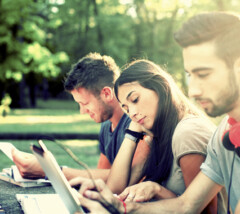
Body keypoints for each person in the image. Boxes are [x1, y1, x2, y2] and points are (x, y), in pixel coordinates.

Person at [72, 11, 240, 213]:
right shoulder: (224, 136)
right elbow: (186, 205)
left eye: (203, 74)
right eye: (190, 76)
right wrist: (121, 207)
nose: (193, 90)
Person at [71, 59, 227, 213]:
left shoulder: (187, 132)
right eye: (126, 108)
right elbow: (116, 189)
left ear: (160, 88)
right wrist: (132, 133)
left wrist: (156, 190)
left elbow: (205, 211)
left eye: (135, 100)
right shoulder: (156, 136)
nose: (131, 113)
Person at [12, 52, 150, 184]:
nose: (82, 111)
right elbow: (101, 177)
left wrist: (51, 171)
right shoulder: (106, 126)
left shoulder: (137, 121)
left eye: (84, 103)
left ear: (107, 93)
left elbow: (129, 178)